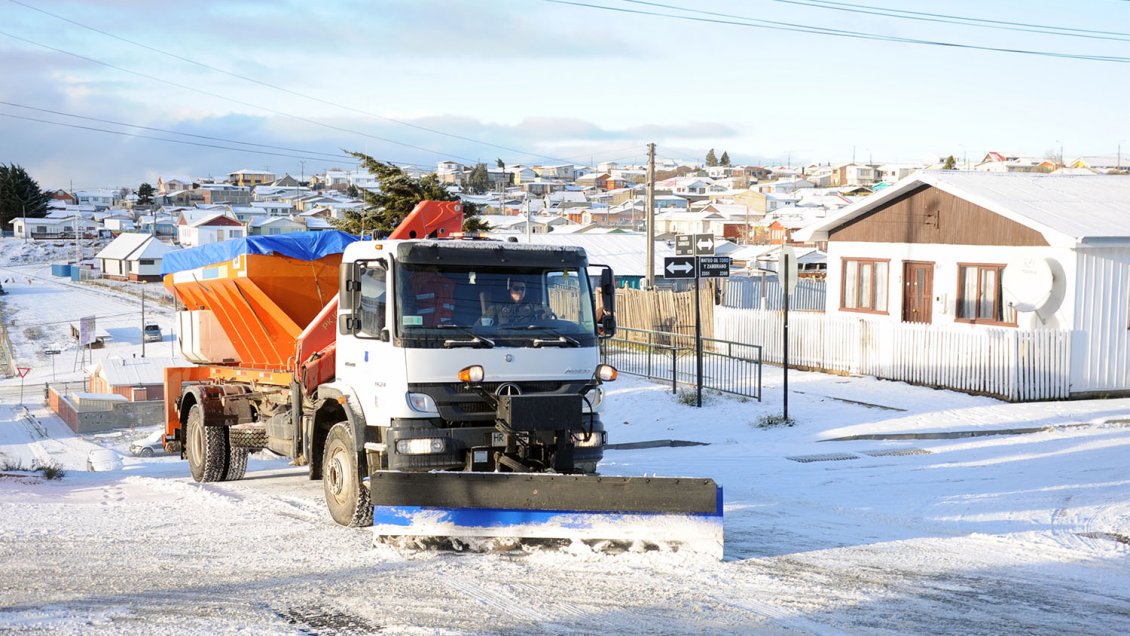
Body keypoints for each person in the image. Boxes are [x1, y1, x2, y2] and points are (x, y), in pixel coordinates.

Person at [483, 279, 548, 326]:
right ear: (510, 289)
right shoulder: (497, 307)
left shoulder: (534, 307)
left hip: (527, 340)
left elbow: (544, 322)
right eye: (516, 288)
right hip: (502, 342)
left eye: (522, 289)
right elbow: (482, 326)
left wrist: (546, 314)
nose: (520, 292)